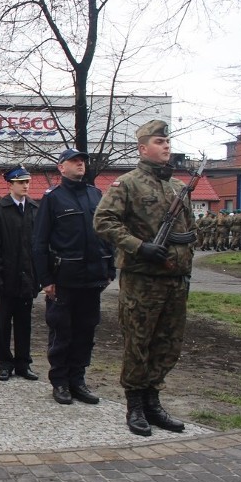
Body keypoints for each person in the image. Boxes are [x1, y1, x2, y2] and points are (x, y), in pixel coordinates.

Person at [94, 119, 191, 437]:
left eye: (167, 141)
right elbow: (104, 221)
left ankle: (153, 402)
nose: (166, 146)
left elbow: (189, 230)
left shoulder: (178, 187)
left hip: (175, 280)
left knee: (168, 344)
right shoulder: (128, 183)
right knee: (139, 343)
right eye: (160, 141)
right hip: (142, 281)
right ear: (143, 147)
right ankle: (134, 406)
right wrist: (139, 246)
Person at [33, 149, 116, 405]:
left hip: (92, 278)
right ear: (61, 167)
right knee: (62, 332)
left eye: (82, 161)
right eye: (74, 161)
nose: (80, 165)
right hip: (64, 279)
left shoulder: (95, 194)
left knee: (86, 331)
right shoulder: (53, 198)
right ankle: (60, 382)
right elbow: (39, 242)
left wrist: (110, 267)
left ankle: (78, 380)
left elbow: (106, 234)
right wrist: (45, 279)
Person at [0, 165, 39, 382]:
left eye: (27, 182)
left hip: (27, 277)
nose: (25, 186)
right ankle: (4, 363)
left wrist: (38, 276)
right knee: (5, 322)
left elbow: (38, 245)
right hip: (6, 276)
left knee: (25, 322)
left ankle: (24, 363)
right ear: (10, 184)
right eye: (21, 182)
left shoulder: (34, 208)